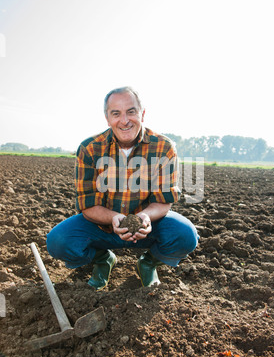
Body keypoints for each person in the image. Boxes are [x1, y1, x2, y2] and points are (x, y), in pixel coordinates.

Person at [46, 87, 199, 289]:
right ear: (107, 118)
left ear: (142, 113)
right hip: (104, 227)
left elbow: (163, 201)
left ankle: (148, 263)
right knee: (58, 241)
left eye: (131, 111)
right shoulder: (89, 148)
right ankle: (103, 260)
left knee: (186, 235)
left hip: (149, 226)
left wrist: (144, 217)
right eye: (116, 113)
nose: (124, 120)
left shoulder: (163, 147)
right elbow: (88, 205)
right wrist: (114, 218)